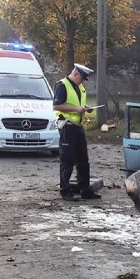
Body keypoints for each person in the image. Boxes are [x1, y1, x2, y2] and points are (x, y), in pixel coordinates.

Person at [53, 63, 100, 201]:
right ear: (75, 74)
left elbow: (77, 104)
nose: (83, 81)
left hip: (78, 126)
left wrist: (85, 108)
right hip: (67, 126)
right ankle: (65, 190)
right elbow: (56, 105)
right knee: (67, 160)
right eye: (82, 78)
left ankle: (85, 190)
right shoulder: (62, 85)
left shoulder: (79, 86)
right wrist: (76, 109)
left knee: (83, 160)